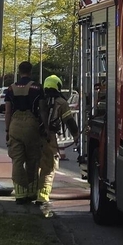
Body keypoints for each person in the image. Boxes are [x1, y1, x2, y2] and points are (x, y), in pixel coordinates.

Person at [36, 75, 81, 218]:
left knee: (34, 164)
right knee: (49, 167)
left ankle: (30, 193)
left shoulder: (38, 99)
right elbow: (69, 121)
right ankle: (42, 196)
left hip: (34, 136)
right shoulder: (61, 102)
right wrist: (76, 136)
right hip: (49, 138)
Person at [4, 61, 45, 206]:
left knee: (17, 160)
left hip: (15, 125)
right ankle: (31, 193)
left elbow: (7, 111)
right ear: (31, 71)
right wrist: (45, 127)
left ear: (19, 71)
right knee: (33, 160)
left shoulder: (11, 88)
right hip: (31, 126)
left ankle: (20, 194)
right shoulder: (37, 88)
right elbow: (42, 110)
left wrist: (7, 130)